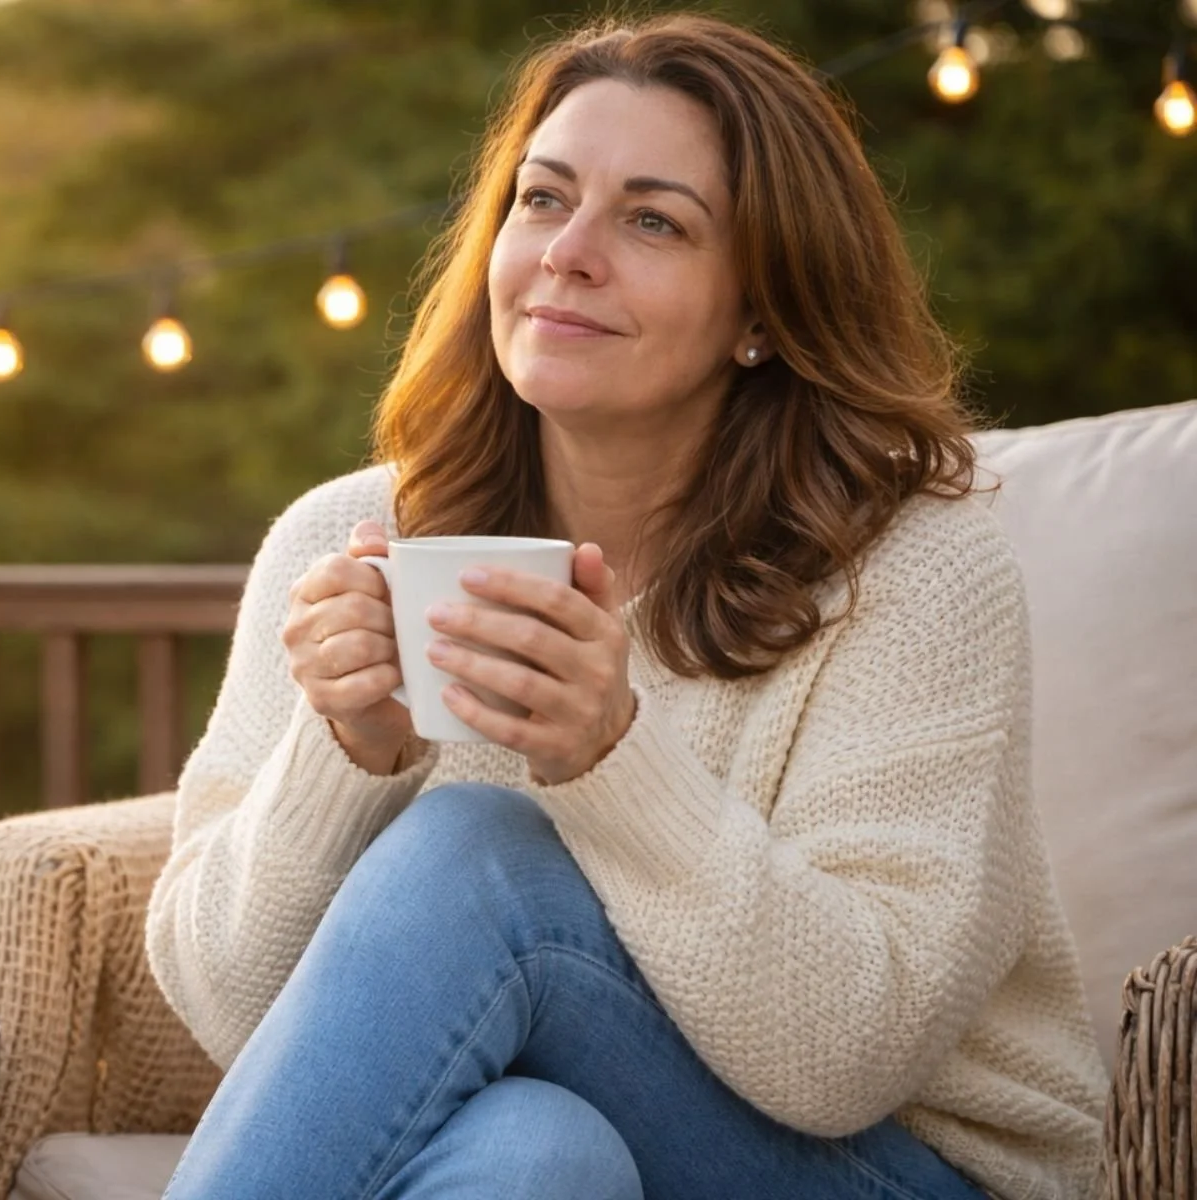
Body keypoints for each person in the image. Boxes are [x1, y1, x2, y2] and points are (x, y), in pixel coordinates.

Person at [144, 12, 1107, 1200]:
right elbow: (235, 1021)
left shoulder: (913, 571)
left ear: (763, 312)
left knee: (482, 858)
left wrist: (614, 762)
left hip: (905, 1169)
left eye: (653, 220)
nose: (569, 251)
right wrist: (343, 754)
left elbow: (847, 1057)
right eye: (543, 199)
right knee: (535, 1157)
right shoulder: (349, 540)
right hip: (594, 1138)